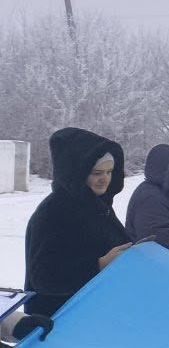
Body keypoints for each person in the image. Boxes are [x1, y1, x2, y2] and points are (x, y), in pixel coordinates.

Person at [23, 127, 133, 317]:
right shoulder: (54, 212)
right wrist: (98, 265)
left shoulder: (97, 206)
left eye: (109, 172)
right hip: (59, 320)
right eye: (97, 173)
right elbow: (43, 278)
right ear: (76, 173)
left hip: (91, 313)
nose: (105, 179)